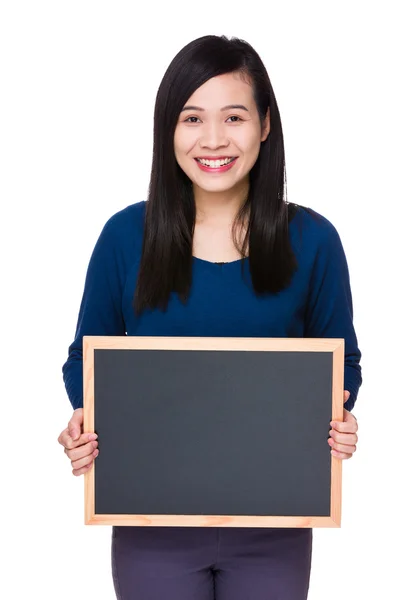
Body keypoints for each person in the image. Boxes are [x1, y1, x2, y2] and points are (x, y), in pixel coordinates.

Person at [57, 34, 362, 600]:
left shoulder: (313, 240)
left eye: (235, 116)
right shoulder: (126, 236)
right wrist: (87, 419)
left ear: (265, 125)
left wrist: (337, 415)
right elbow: (86, 357)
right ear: (168, 129)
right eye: (192, 117)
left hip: (275, 522)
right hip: (152, 520)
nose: (214, 139)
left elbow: (344, 363)